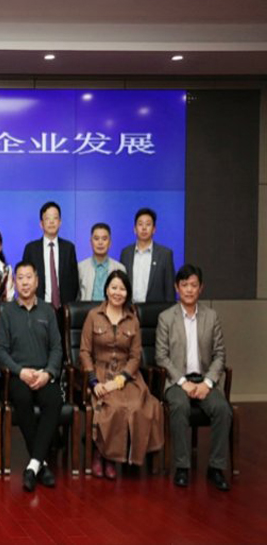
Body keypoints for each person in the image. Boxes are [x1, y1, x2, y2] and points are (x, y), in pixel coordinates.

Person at [78, 270, 163, 479]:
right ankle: (102, 454)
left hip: (127, 376)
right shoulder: (93, 316)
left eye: (122, 289)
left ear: (127, 293)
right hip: (100, 373)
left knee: (139, 406)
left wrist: (121, 379)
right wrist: (93, 381)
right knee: (113, 407)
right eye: (114, 287)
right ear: (106, 290)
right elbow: (84, 352)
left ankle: (125, 457)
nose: (117, 292)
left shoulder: (132, 320)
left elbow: (135, 357)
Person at [155, 264, 232, 491]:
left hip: (204, 381)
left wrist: (208, 383)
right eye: (184, 285)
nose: (189, 290)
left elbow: (220, 355)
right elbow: (161, 357)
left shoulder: (211, 316)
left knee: (223, 410)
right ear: (176, 288)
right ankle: (182, 466)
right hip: (177, 382)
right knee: (179, 407)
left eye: (193, 285)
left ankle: (216, 467)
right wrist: (183, 382)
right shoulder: (166, 318)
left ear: (201, 288)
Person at [0, 260, 63, 492]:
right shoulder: (7, 311)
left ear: (37, 281)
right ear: (15, 282)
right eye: (20, 278)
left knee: (54, 400)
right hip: (19, 375)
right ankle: (41, 464)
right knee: (22, 399)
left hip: (43, 374)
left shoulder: (48, 310)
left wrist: (48, 373)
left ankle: (33, 465)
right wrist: (20, 371)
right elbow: (0, 351)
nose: (25, 283)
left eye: (29, 277)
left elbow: (57, 348)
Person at [21, 201, 78, 309]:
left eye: (55, 218)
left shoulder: (69, 248)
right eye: (47, 218)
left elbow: (74, 282)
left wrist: (68, 306)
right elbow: (25, 279)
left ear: (60, 222)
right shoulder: (31, 249)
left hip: (63, 309)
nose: (51, 222)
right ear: (41, 224)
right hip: (37, 308)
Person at [120, 207, 175, 303]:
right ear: (135, 229)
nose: (144, 228)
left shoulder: (165, 254)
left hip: (155, 309)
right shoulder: (126, 253)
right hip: (129, 308)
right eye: (140, 224)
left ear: (154, 229)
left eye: (148, 224)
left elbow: (170, 290)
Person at [78, 223, 126, 302]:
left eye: (104, 239)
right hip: (87, 309)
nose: (100, 243)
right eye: (96, 239)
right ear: (91, 242)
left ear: (110, 243)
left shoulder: (120, 268)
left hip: (112, 309)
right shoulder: (80, 268)